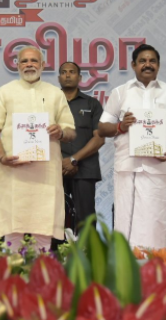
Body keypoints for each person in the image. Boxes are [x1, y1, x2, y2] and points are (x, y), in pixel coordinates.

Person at [98, 44, 166, 249]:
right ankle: (129, 273)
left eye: (152, 61)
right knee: (127, 223)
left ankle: (159, 273)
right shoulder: (120, 93)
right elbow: (103, 128)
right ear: (133, 65)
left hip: (159, 169)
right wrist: (121, 126)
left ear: (158, 65)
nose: (147, 65)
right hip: (128, 169)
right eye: (142, 61)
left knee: (159, 222)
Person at [0, 46, 76, 251]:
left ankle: (40, 281)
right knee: (12, 234)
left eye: (34, 61)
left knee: (43, 235)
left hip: (46, 176)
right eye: (24, 61)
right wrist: (1, 157)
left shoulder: (55, 94)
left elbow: (71, 131)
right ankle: (11, 281)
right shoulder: (4, 92)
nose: (29, 65)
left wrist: (60, 132)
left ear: (43, 65)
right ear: (17, 65)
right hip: (13, 173)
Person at [58, 61, 104, 229]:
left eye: (72, 72)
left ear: (80, 77)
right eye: (64, 72)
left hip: (85, 169)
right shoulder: (48, 103)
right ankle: (54, 255)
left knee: (86, 221)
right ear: (59, 77)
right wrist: (62, 162)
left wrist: (74, 160)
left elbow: (99, 138)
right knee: (54, 220)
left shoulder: (92, 104)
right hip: (56, 169)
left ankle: (87, 254)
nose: (68, 75)